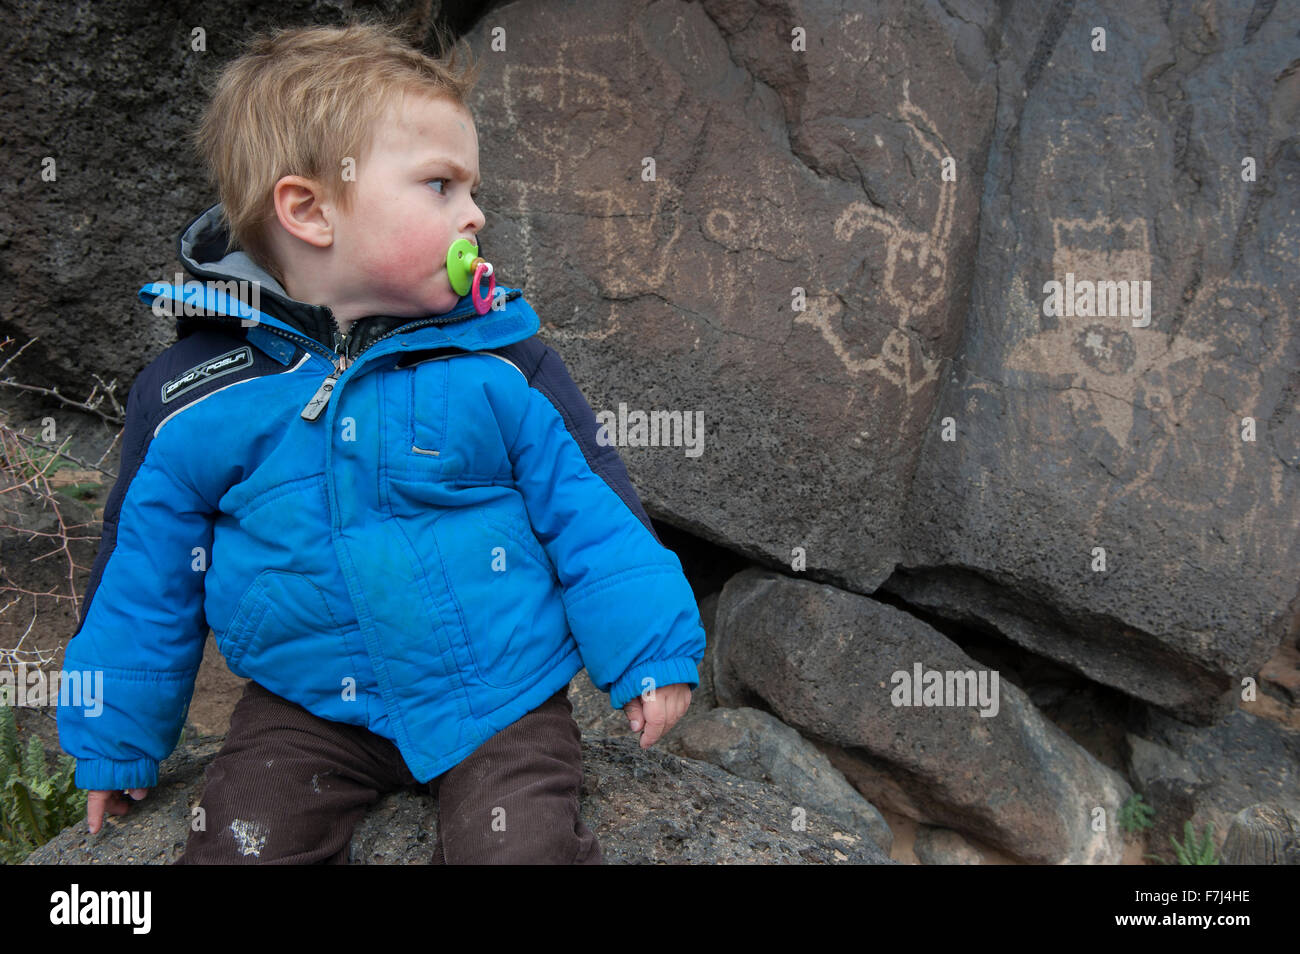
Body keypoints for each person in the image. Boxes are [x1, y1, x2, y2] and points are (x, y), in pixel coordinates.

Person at [56, 19, 706, 864]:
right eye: (441, 185)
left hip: (499, 694)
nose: (475, 211)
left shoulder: (501, 360)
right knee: (237, 848)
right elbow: (144, 574)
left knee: (518, 849)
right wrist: (115, 734)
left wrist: (650, 650)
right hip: (307, 706)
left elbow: (591, 507)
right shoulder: (196, 392)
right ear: (310, 210)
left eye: (473, 189)